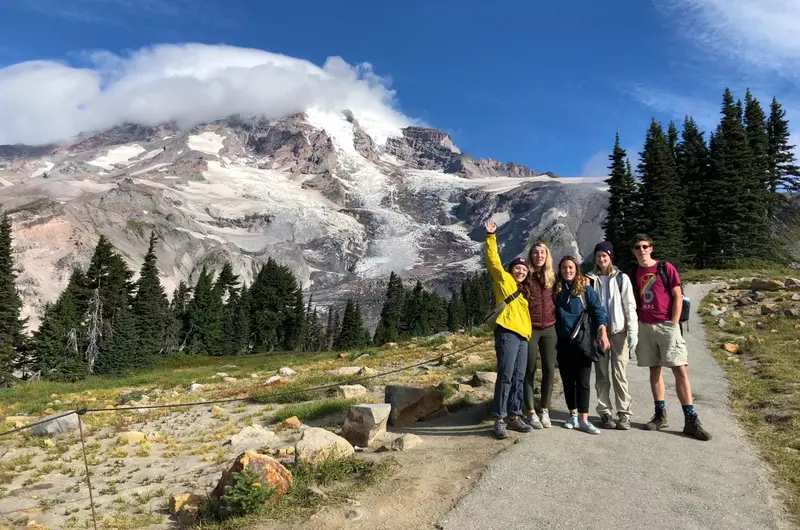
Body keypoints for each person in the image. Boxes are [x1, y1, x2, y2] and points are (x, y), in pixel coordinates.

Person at [630, 234, 711, 441]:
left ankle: (691, 418)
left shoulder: (665, 268)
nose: (642, 250)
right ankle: (660, 415)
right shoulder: (634, 273)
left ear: (651, 248)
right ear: (634, 251)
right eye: (638, 247)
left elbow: (677, 295)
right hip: (645, 326)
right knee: (654, 370)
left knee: (679, 369)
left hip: (667, 325)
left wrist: (673, 323)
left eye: (645, 246)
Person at [484, 220, 533, 439]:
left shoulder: (524, 290)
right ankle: (499, 418)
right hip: (507, 331)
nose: (521, 271)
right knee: (505, 375)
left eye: (524, 269)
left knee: (519, 376)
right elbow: (493, 261)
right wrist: (490, 236)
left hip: (523, 335)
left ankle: (514, 415)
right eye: (518, 268)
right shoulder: (504, 280)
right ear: (512, 270)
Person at [554, 255, 610, 434]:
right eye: (564, 268)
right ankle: (573, 415)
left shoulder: (586, 289)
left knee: (583, 382)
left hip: (583, 341)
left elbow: (598, 311)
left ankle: (584, 419)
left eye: (570, 267)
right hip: (563, 342)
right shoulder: (557, 290)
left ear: (576, 269)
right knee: (568, 381)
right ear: (560, 270)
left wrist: (603, 333)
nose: (567, 270)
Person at [585, 241, 638, 430]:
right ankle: (605, 412)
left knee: (620, 373)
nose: (601, 259)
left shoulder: (621, 278)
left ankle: (624, 413)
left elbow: (629, 304)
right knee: (601, 374)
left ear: (610, 257)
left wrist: (633, 329)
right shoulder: (589, 279)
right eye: (598, 256)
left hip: (619, 332)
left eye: (604, 256)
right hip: (599, 333)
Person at [522, 241, 557, 429]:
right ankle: (531, 412)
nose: (539, 256)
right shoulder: (526, 276)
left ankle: (545, 409)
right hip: (531, 328)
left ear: (546, 255)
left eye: (542, 253)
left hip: (550, 328)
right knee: (529, 370)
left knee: (549, 370)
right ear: (531, 255)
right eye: (535, 253)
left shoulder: (552, 277)